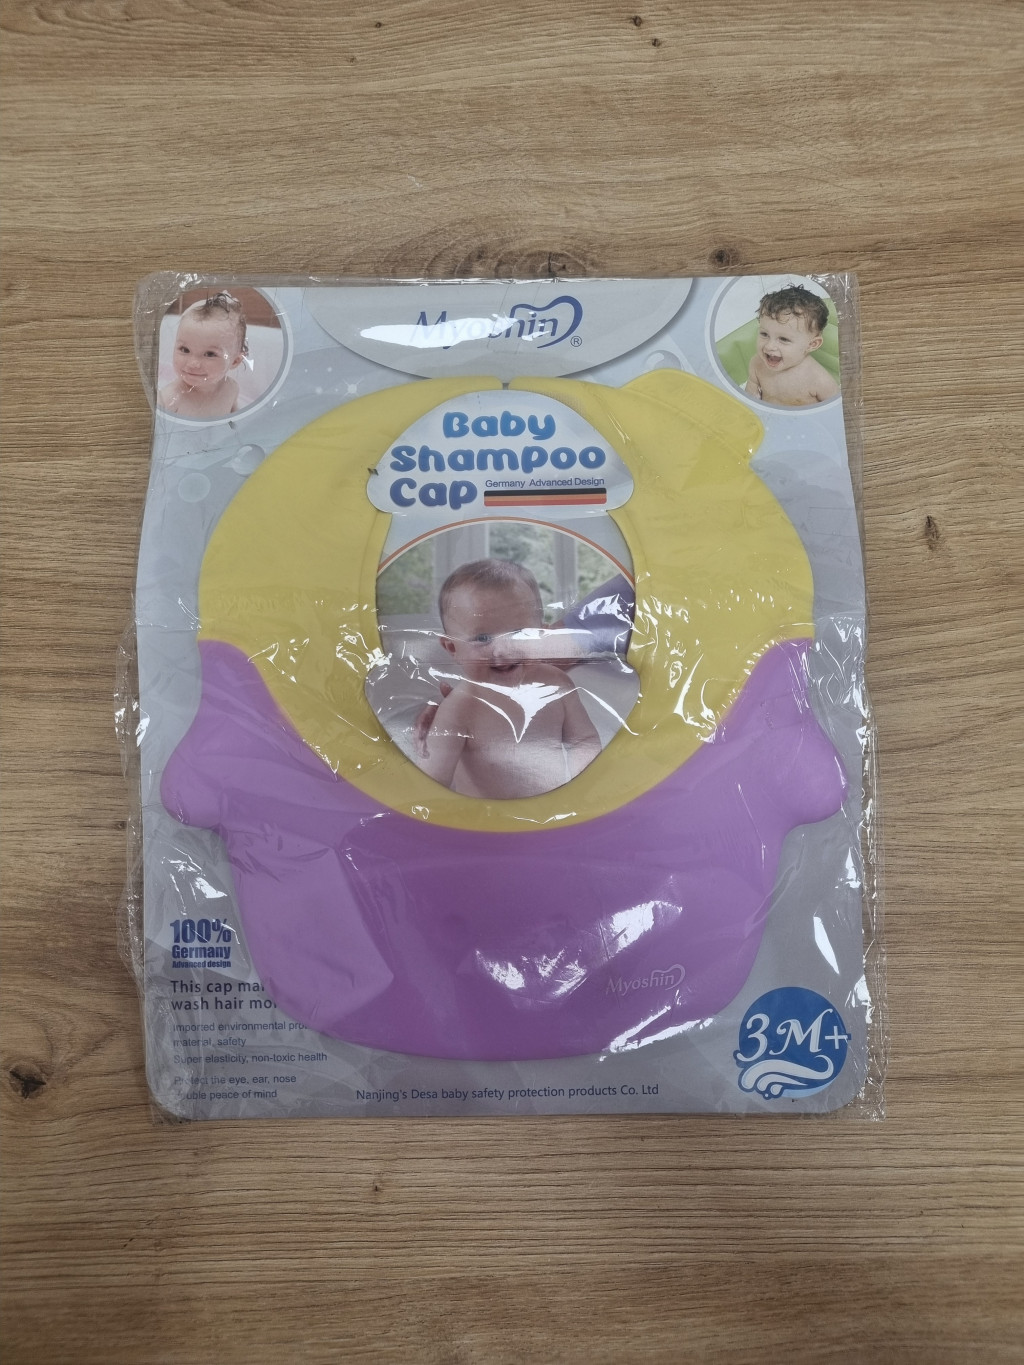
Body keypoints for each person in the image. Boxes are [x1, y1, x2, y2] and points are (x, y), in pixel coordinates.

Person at [417, 559, 602, 799]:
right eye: (482, 638)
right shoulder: (459, 709)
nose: (502, 650)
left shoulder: (557, 684)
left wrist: (585, 791)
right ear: (452, 648)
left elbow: (583, 741)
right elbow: (433, 783)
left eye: (518, 633)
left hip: (551, 812)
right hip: (486, 818)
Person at [744, 285, 839, 407]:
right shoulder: (757, 364)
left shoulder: (819, 380)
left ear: (811, 344)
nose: (769, 346)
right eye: (764, 334)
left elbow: (835, 409)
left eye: (783, 339)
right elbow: (749, 400)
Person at [159, 293, 247, 418]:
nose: (193, 364)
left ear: (235, 361)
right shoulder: (169, 398)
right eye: (185, 349)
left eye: (210, 354)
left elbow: (235, 423)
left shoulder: (231, 389)